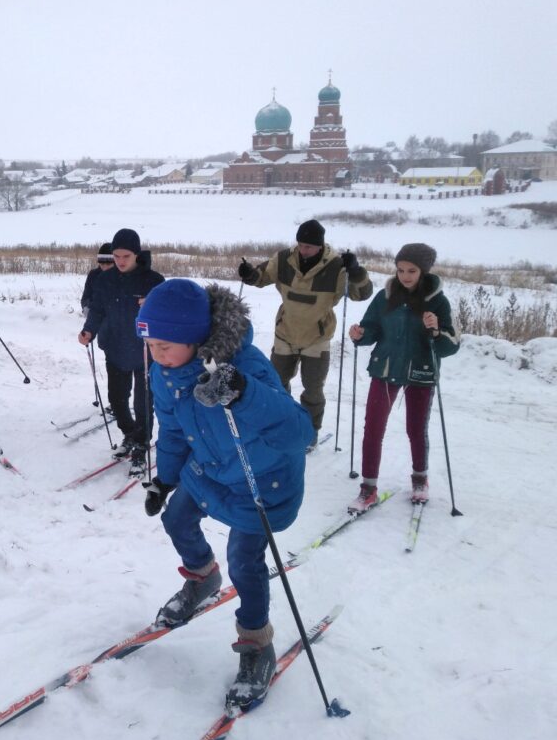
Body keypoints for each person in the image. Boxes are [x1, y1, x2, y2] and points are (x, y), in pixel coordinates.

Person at [135, 279, 313, 711]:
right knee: (175, 519)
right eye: (150, 344)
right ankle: (202, 577)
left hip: (260, 481)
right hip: (210, 469)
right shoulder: (164, 373)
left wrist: (243, 394)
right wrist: (166, 478)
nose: (156, 355)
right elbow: (174, 428)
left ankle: (257, 646)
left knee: (245, 562)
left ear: (196, 339)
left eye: (164, 345)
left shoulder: (244, 367)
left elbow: (298, 432)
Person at [238, 219, 373, 452]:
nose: (303, 250)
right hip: (285, 334)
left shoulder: (336, 266)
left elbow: (361, 294)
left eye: (308, 246)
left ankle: (310, 431)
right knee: (276, 384)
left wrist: (356, 271)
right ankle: (284, 424)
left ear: (320, 246)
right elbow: (261, 277)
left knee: (313, 389)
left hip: (316, 339)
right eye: (300, 244)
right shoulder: (284, 260)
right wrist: (249, 273)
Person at [347, 243, 460, 512]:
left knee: (415, 429)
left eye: (411, 270)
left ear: (423, 271)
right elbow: (372, 329)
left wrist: (435, 331)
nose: (405, 276)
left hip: (420, 372)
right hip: (385, 369)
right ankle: (368, 488)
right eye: (400, 270)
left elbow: (451, 345)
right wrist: (360, 335)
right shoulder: (385, 297)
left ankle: (420, 479)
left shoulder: (437, 301)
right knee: (373, 429)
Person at [78, 228, 165, 475]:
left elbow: (167, 315)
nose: (120, 261)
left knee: (143, 403)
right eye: (116, 256)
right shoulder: (104, 280)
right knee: (117, 400)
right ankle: (130, 435)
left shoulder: (153, 281)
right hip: (114, 347)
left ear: (137, 254)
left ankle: (141, 444)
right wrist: (88, 331)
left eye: (126, 256)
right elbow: (97, 310)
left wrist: (153, 305)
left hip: (145, 352)